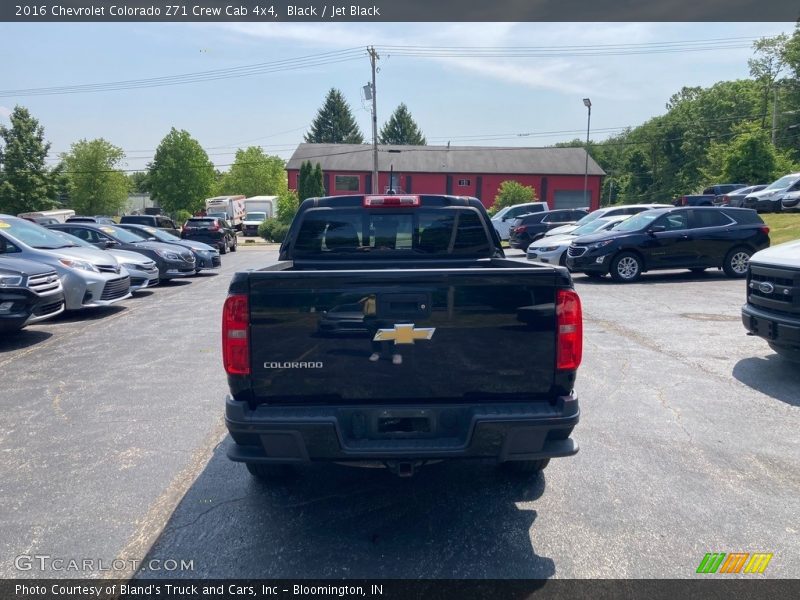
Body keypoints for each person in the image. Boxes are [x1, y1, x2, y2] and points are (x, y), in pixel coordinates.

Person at [359, 294, 402, 365]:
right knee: (374, 336)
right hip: (370, 318)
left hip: (386, 317)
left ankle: (395, 354)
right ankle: (377, 352)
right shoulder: (366, 294)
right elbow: (359, 303)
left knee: (390, 335)